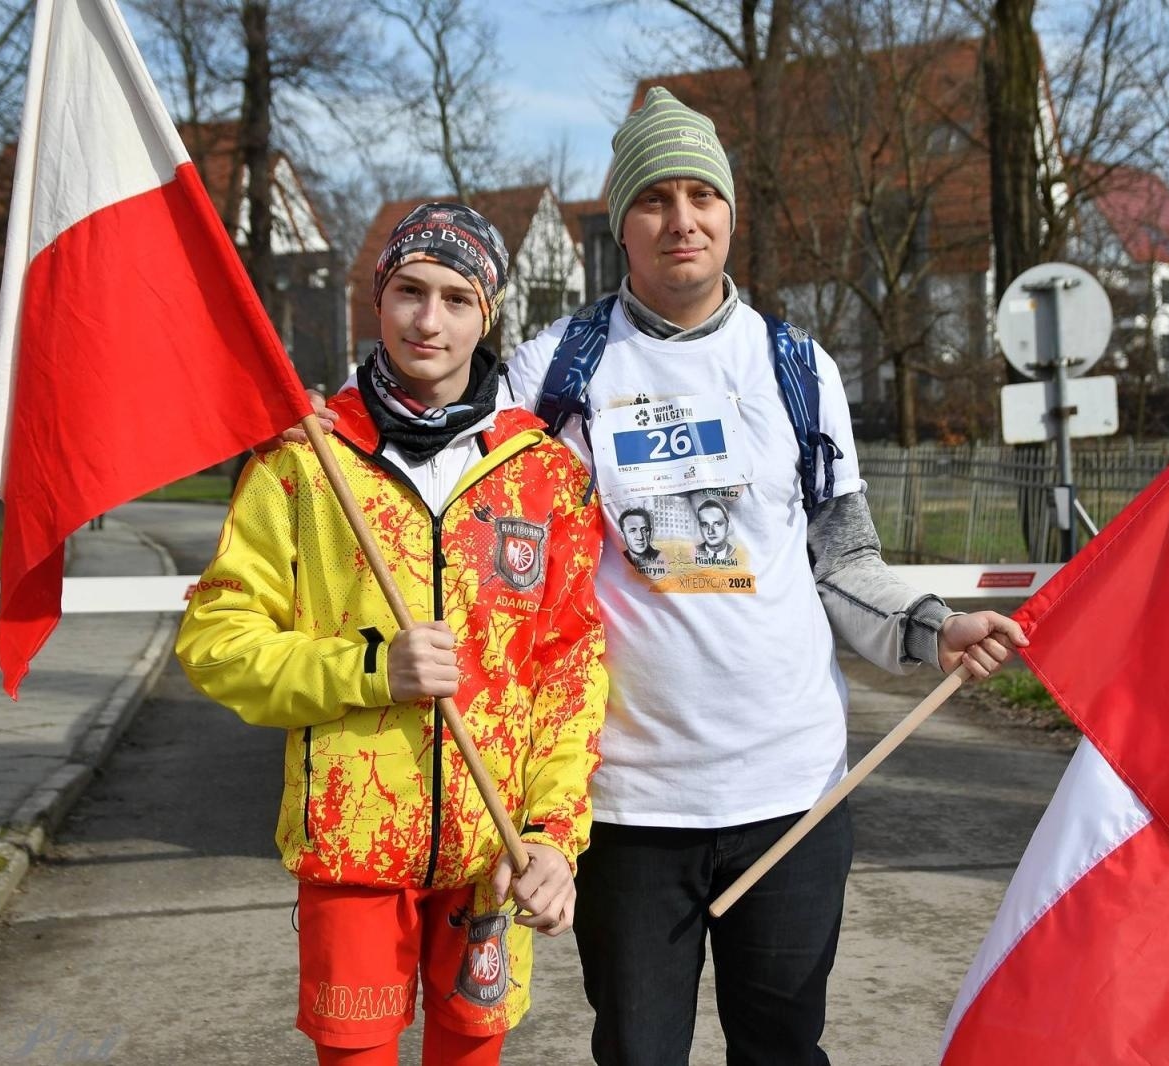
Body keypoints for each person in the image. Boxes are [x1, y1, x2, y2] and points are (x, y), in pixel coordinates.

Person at [297, 89, 1027, 1066]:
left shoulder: (797, 368)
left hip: (791, 789)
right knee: (639, 1053)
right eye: (653, 198)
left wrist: (931, 625)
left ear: (729, 214)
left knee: (782, 1047)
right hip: (632, 801)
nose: (680, 219)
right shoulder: (552, 372)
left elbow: (843, 561)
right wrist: (327, 419)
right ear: (621, 225)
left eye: (700, 196)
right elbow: (436, 444)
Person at [176, 202, 607, 1066]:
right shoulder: (305, 458)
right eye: (410, 291)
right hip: (352, 855)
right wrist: (370, 668)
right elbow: (215, 641)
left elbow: (570, 669)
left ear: (488, 314)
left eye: (455, 297)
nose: (429, 319)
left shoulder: (544, 476)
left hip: (492, 856)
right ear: (380, 301)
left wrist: (556, 836)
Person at [617, 506, 666, 577]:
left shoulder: (661, 558)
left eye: (644, 530)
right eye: (632, 531)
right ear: (622, 535)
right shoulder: (618, 560)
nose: (640, 537)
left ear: (650, 532)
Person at [691, 496, 737, 565]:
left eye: (717, 524)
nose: (710, 531)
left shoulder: (737, 552)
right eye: (704, 525)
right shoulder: (693, 552)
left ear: (728, 524)